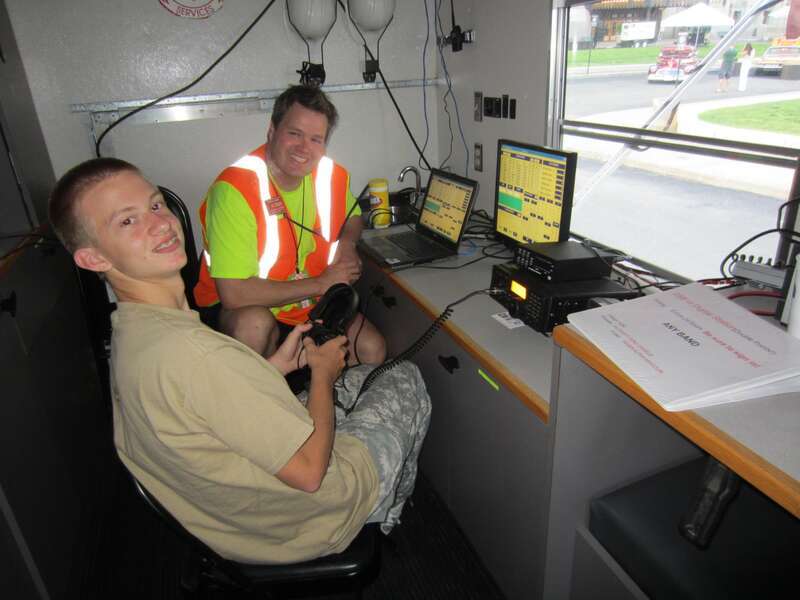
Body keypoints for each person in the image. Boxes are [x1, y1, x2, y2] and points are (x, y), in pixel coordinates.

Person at [48, 158, 431, 564]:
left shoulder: (135, 331)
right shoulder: (198, 356)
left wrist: (275, 368)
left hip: (230, 520)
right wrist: (321, 374)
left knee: (358, 379)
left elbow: (200, 402)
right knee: (401, 376)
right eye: (127, 222)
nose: (160, 224)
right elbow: (309, 472)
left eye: (156, 205)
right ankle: (378, 514)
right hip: (309, 515)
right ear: (93, 259)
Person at [194, 85, 386, 365]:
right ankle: (256, 403)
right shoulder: (234, 189)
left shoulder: (330, 175)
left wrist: (347, 244)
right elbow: (234, 294)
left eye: (316, 139)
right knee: (254, 325)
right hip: (248, 307)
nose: (303, 148)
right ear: (272, 131)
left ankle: (317, 399)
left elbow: (353, 216)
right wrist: (321, 283)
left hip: (308, 303)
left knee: (372, 349)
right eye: (294, 133)